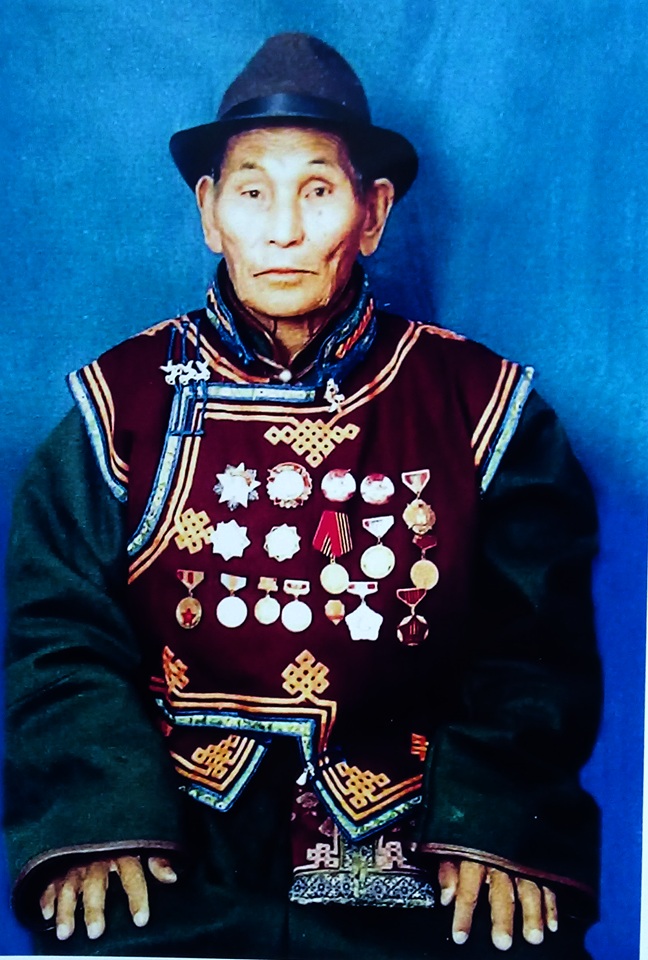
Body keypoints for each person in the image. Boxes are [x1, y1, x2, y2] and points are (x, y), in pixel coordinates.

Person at [3, 33, 601, 960]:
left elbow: (535, 639)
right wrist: (99, 810)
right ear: (210, 214)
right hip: (179, 840)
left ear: (373, 214)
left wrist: (494, 815)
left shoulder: (483, 407)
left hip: (410, 838)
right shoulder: (120, 402)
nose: (282, 228)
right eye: (252, 193)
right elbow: (58, 629)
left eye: (317, 190)